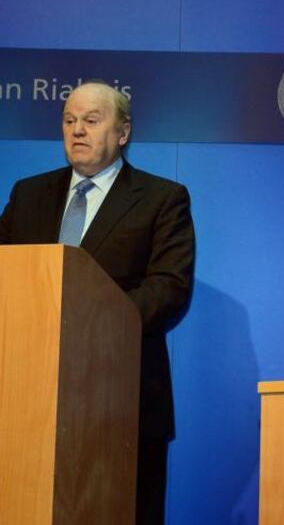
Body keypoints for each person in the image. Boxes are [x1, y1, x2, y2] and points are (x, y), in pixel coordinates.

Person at [0, 81, 195, 524]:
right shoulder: (28, 194)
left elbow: (169, 288)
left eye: (91, 120)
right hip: (25, 399)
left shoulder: (162, 199)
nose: (77, 130)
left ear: (123, 132)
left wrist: (95, 327)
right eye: (69, 120)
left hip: (122, 401)